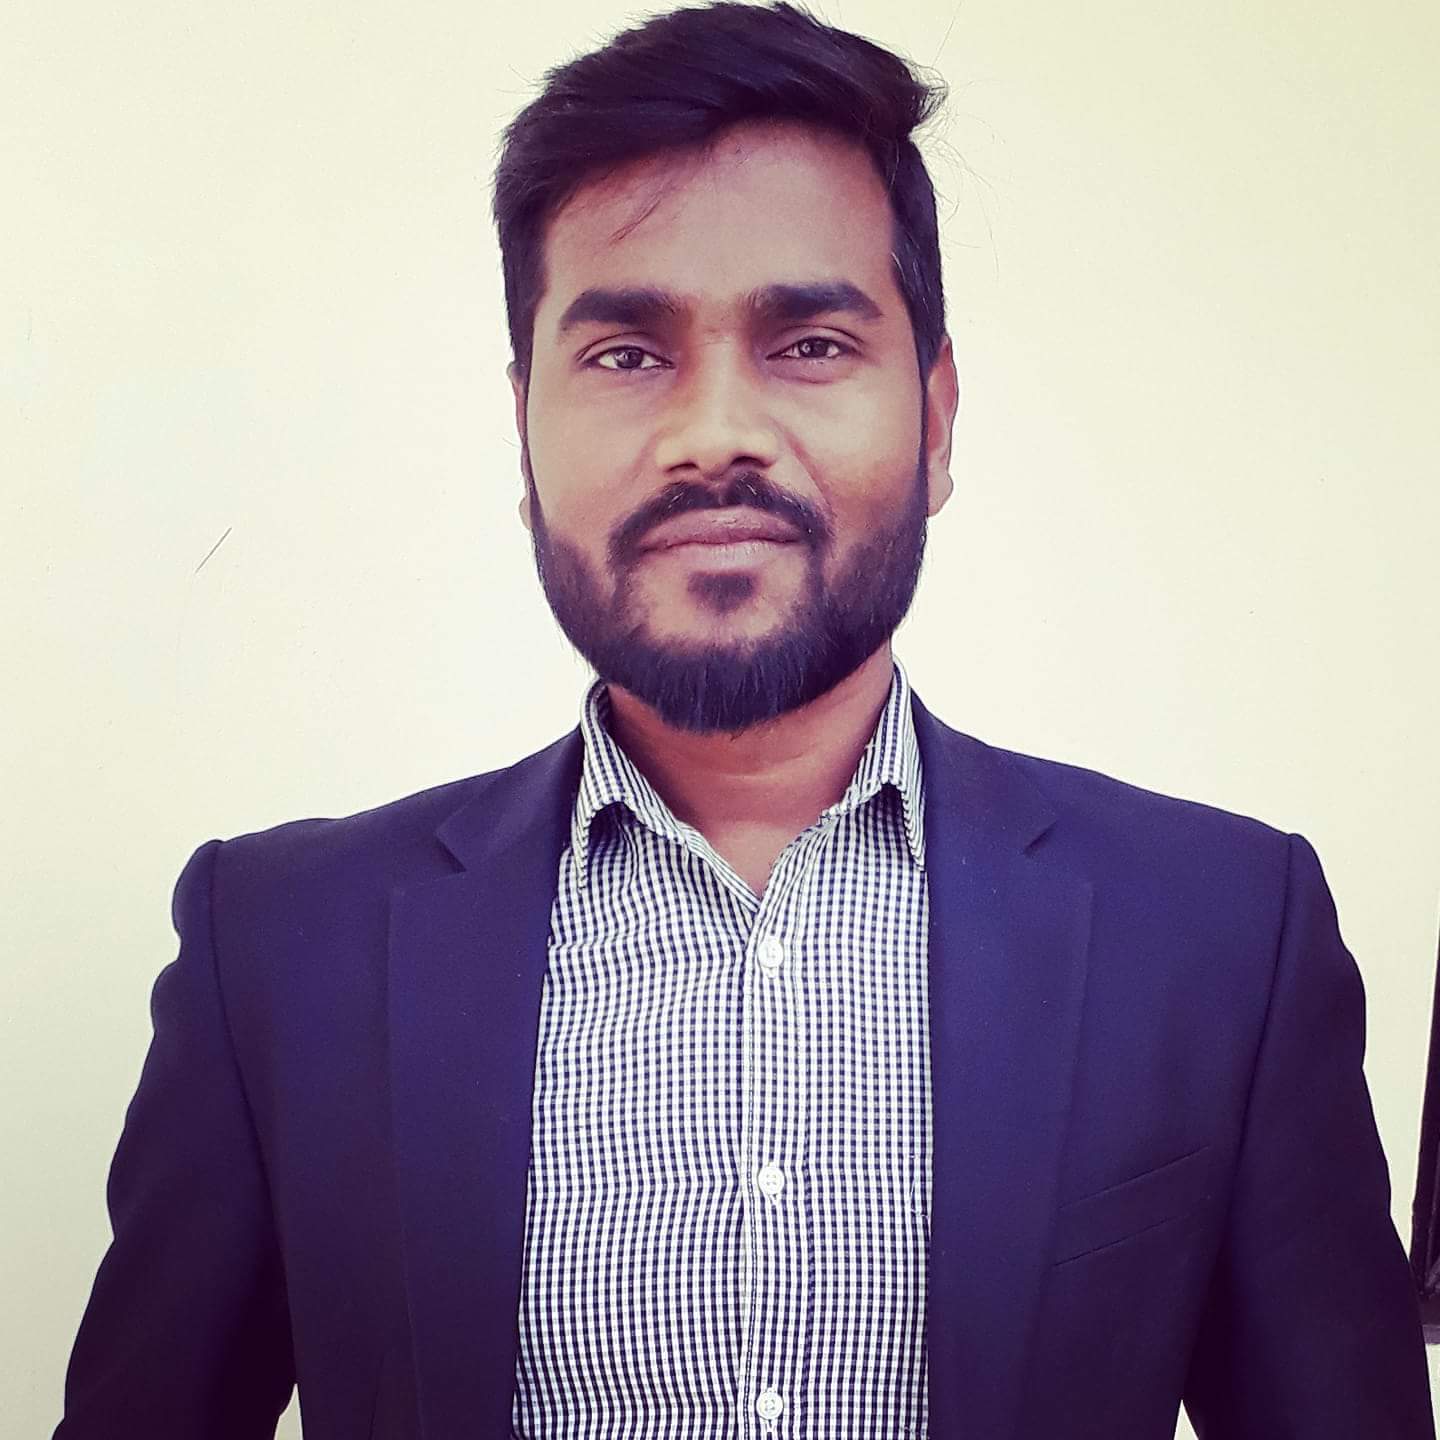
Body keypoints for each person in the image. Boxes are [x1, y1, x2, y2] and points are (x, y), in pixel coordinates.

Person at [55, 4, 1431, 1437]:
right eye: (626, 355)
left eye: (812, 343)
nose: (714, 433)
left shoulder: (1222, 935)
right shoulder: (279, 950)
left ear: (936, 419)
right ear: (522, 431)